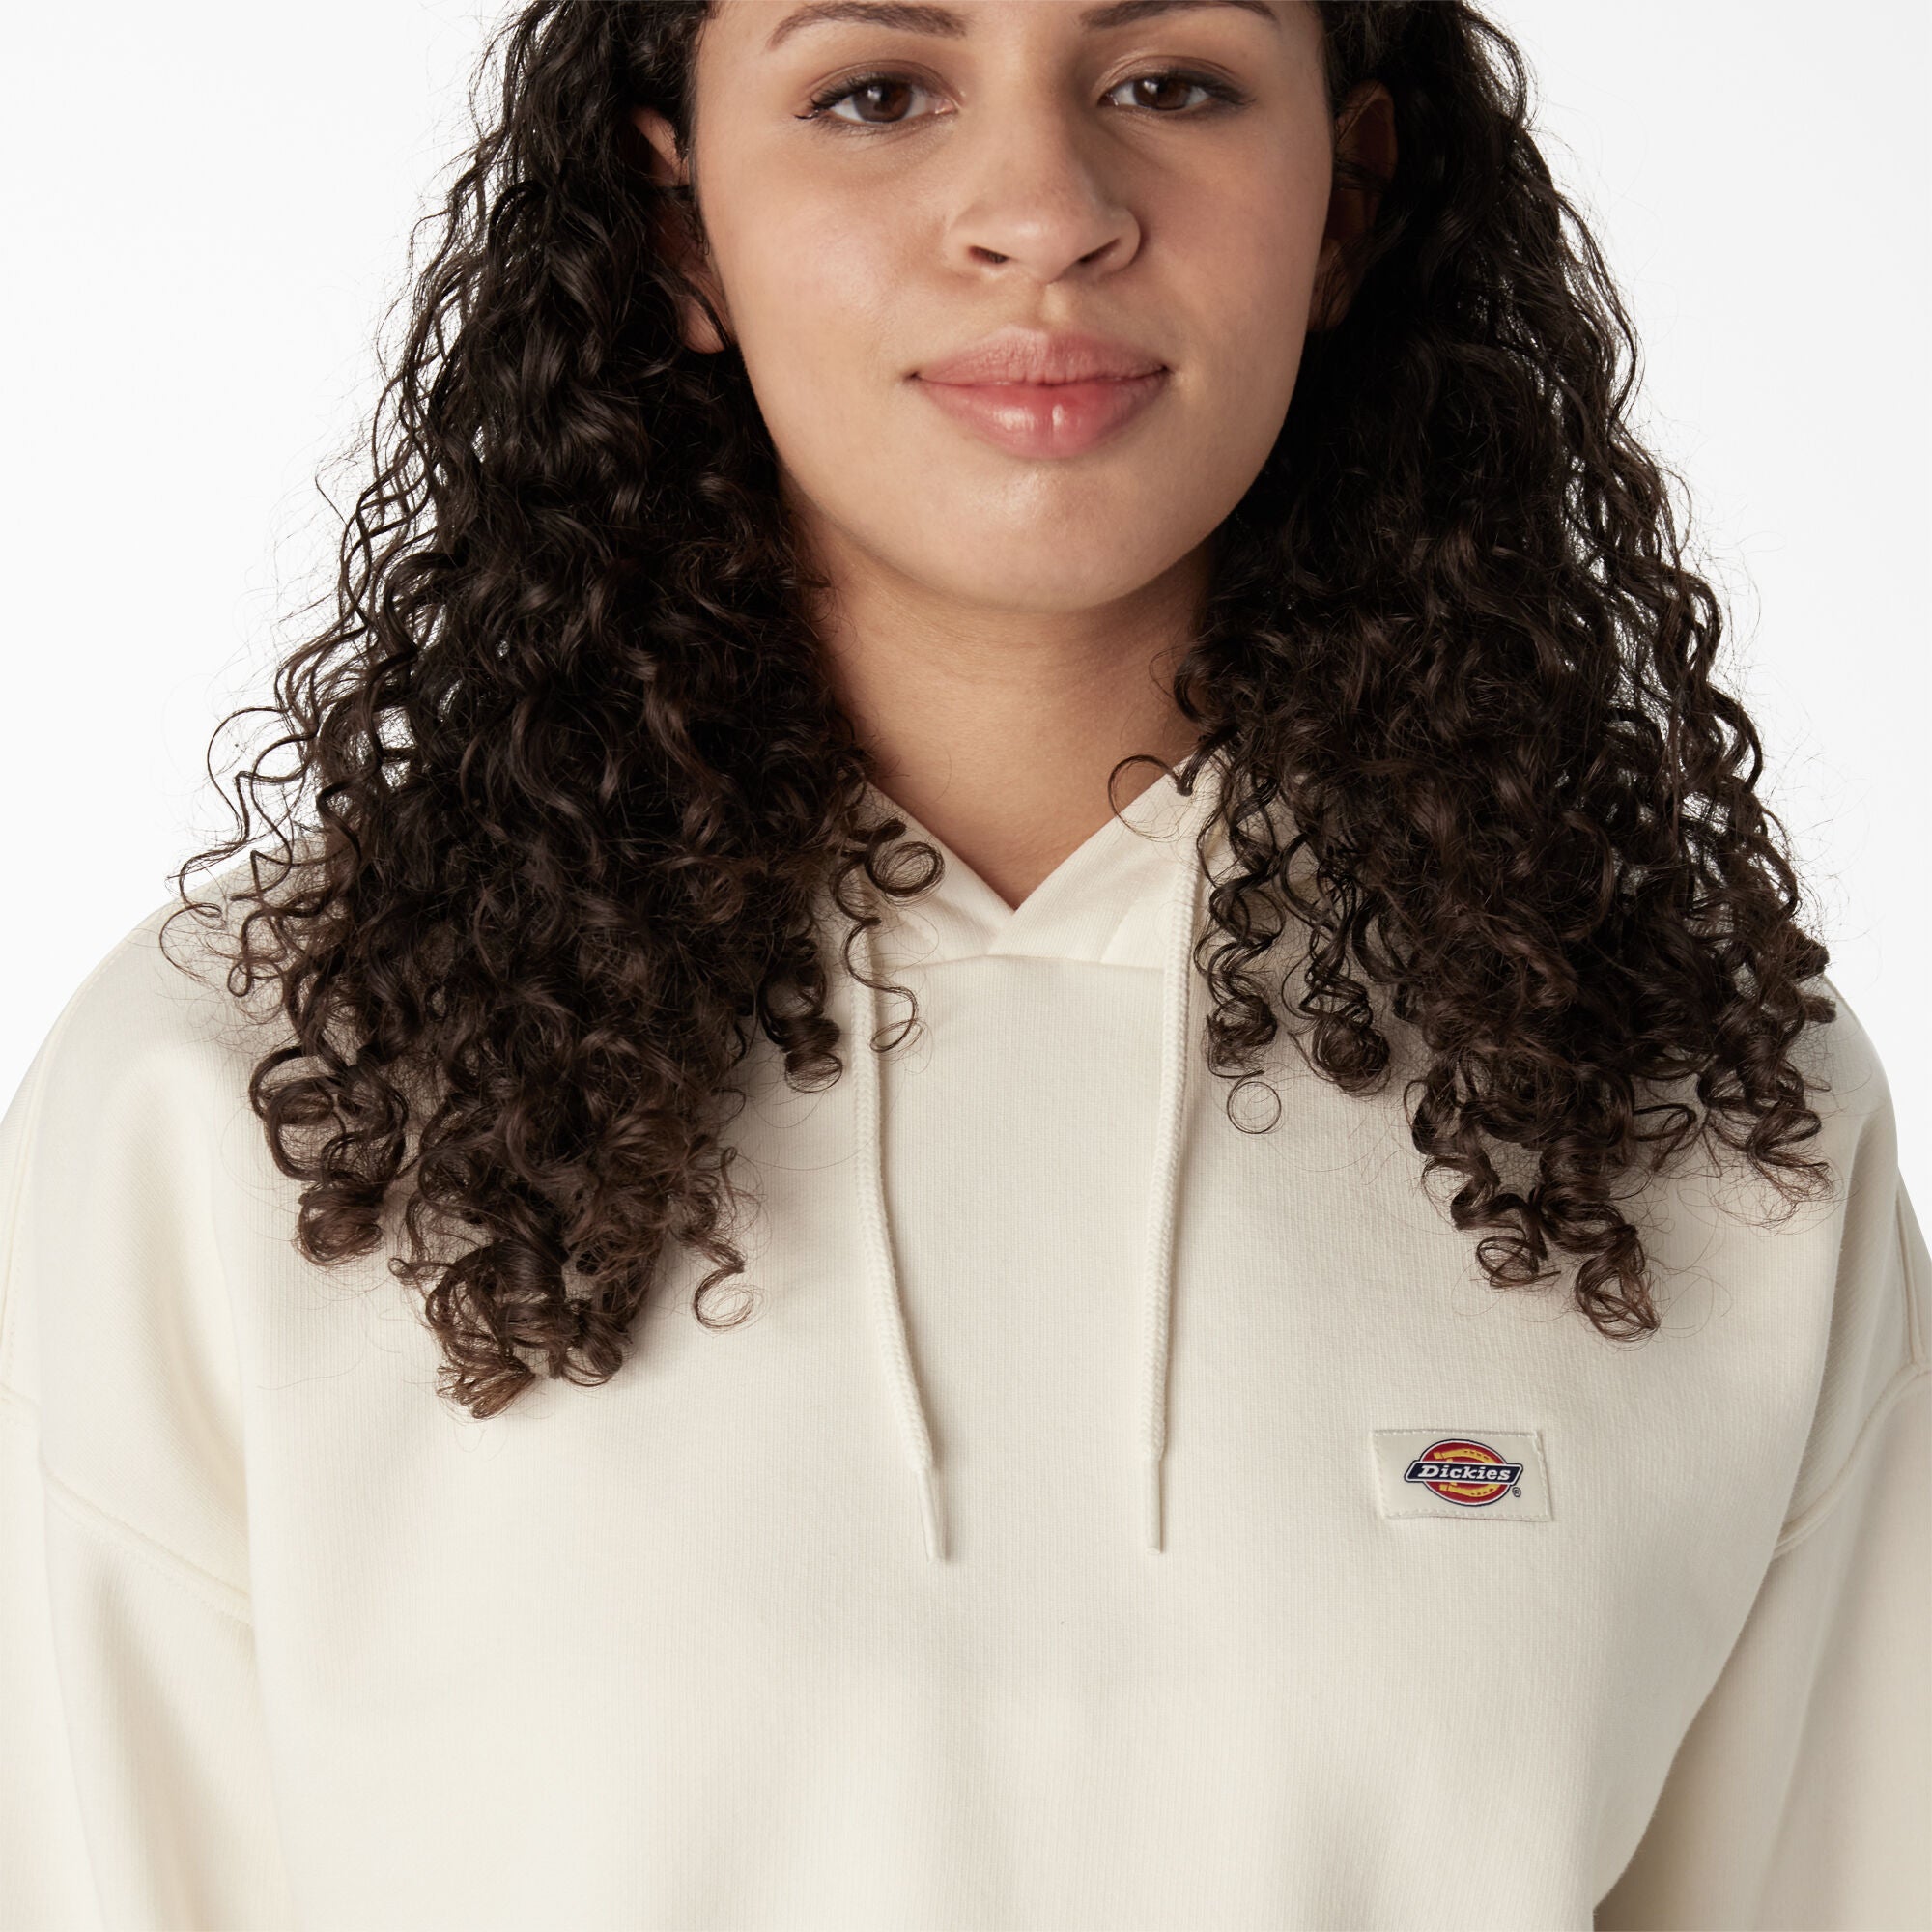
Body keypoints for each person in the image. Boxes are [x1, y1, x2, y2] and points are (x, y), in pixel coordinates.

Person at [3, 1, 1924, 1926]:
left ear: (1345, 206)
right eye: (876, 93)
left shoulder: (1692, 1100)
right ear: (679, 227)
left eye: (1169, 82)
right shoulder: (246, 1095)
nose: (1045, 210)